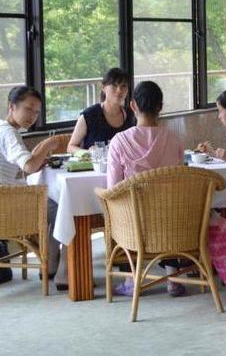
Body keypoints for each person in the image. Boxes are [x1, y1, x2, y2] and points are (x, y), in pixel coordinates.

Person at [106, 81, 187, 297]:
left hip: (134, 221)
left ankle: (131, 280)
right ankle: (173, 276)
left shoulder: (119, 141)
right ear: (160, 107)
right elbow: (179, 178)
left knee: (121, 211)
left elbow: (113, 189)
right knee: (165, 209)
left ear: (133, 105)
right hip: (171, 219)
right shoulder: (174, 139)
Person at [0, 86, 64, 285]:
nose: (32, 116)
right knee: (63, 209)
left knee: (56, 205)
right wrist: (48, 144)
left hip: (7, 198)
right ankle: (58, 267)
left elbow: (24, 167)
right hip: (9, 205)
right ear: (12, 106)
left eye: (36, 112)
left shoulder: (3, 128)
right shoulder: (9, 133)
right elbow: (28, 165)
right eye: (28, 109)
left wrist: (37, 161)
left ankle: (52, 261)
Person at [67, 68, 135, 152]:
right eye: (114, 85)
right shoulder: (89, 115)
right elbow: (70, 147)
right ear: (103, 87)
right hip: (95, 160)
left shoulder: (132, 115)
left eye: (123, 86)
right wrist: (89, 152)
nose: (119, 90)